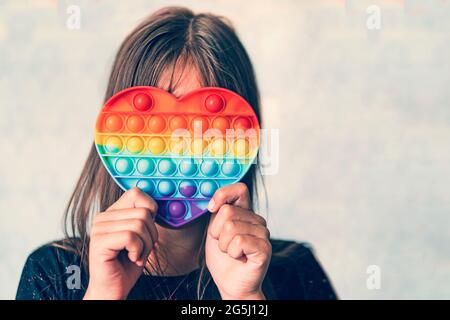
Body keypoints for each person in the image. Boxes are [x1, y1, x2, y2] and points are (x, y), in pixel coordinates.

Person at [16, 6, 337, 300]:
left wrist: (244, 297)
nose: (182, 149)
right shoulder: (56, 274)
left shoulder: (292, 273)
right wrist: (104, 292)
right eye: (154, 124)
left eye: (208, 126)